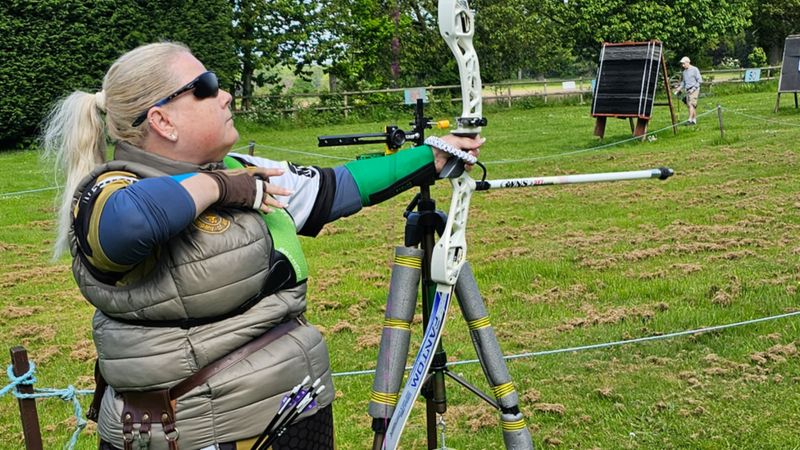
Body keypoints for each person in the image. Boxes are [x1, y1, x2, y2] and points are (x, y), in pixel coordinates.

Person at [41, 42, 483, 450]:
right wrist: (219, 186)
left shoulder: (238, 168)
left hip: (289, 415)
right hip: (203, 433)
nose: (226, 94)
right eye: (207, 87)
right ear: (162, 120)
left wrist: (433, 156)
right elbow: (129, 224)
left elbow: (333, 188)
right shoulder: (109, 188)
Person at [673, 56, 702, 125]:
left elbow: (700, 81)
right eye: (682, 64)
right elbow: (683, 82)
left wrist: (693, 89)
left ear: (688, 62)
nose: (683, 65)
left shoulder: (695, 69)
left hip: (694, 89)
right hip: (687, 90)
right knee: (690, 105)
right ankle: (694, 120)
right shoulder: (684, 72)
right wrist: (679, 88)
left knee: (691, 104)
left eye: (684, 63)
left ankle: (689, 120)